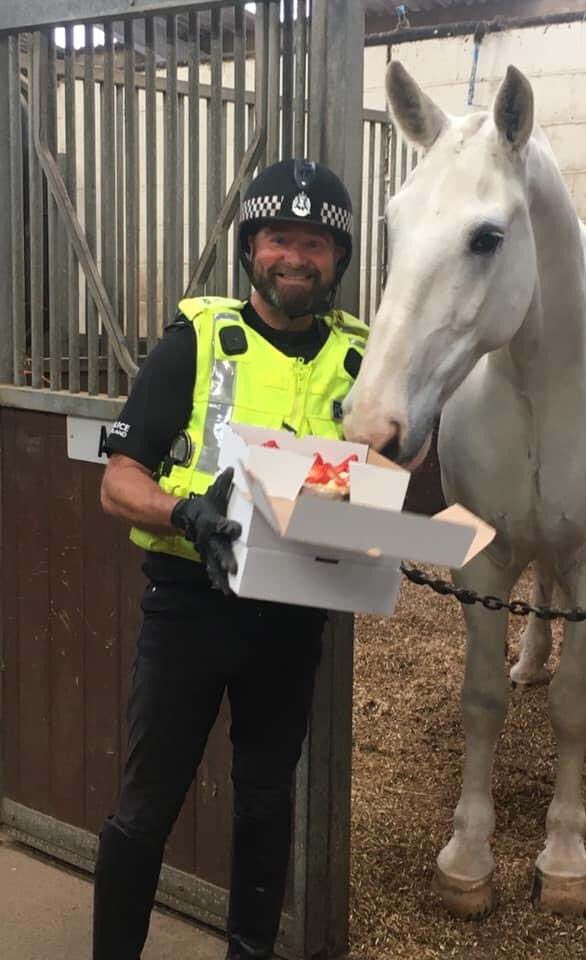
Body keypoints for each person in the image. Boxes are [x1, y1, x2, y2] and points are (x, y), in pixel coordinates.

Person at [93, 158, 368, 960]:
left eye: (315, 243)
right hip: (190, 603)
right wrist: (186, 513)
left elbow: (390, 475)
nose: (296, 257)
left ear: (338, 260)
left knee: (266, 800)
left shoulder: (362, 359)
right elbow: (118, 481)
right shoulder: (198, 341)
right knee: (147, 806)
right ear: (251, 248)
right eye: (279, 238)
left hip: (293, 614)